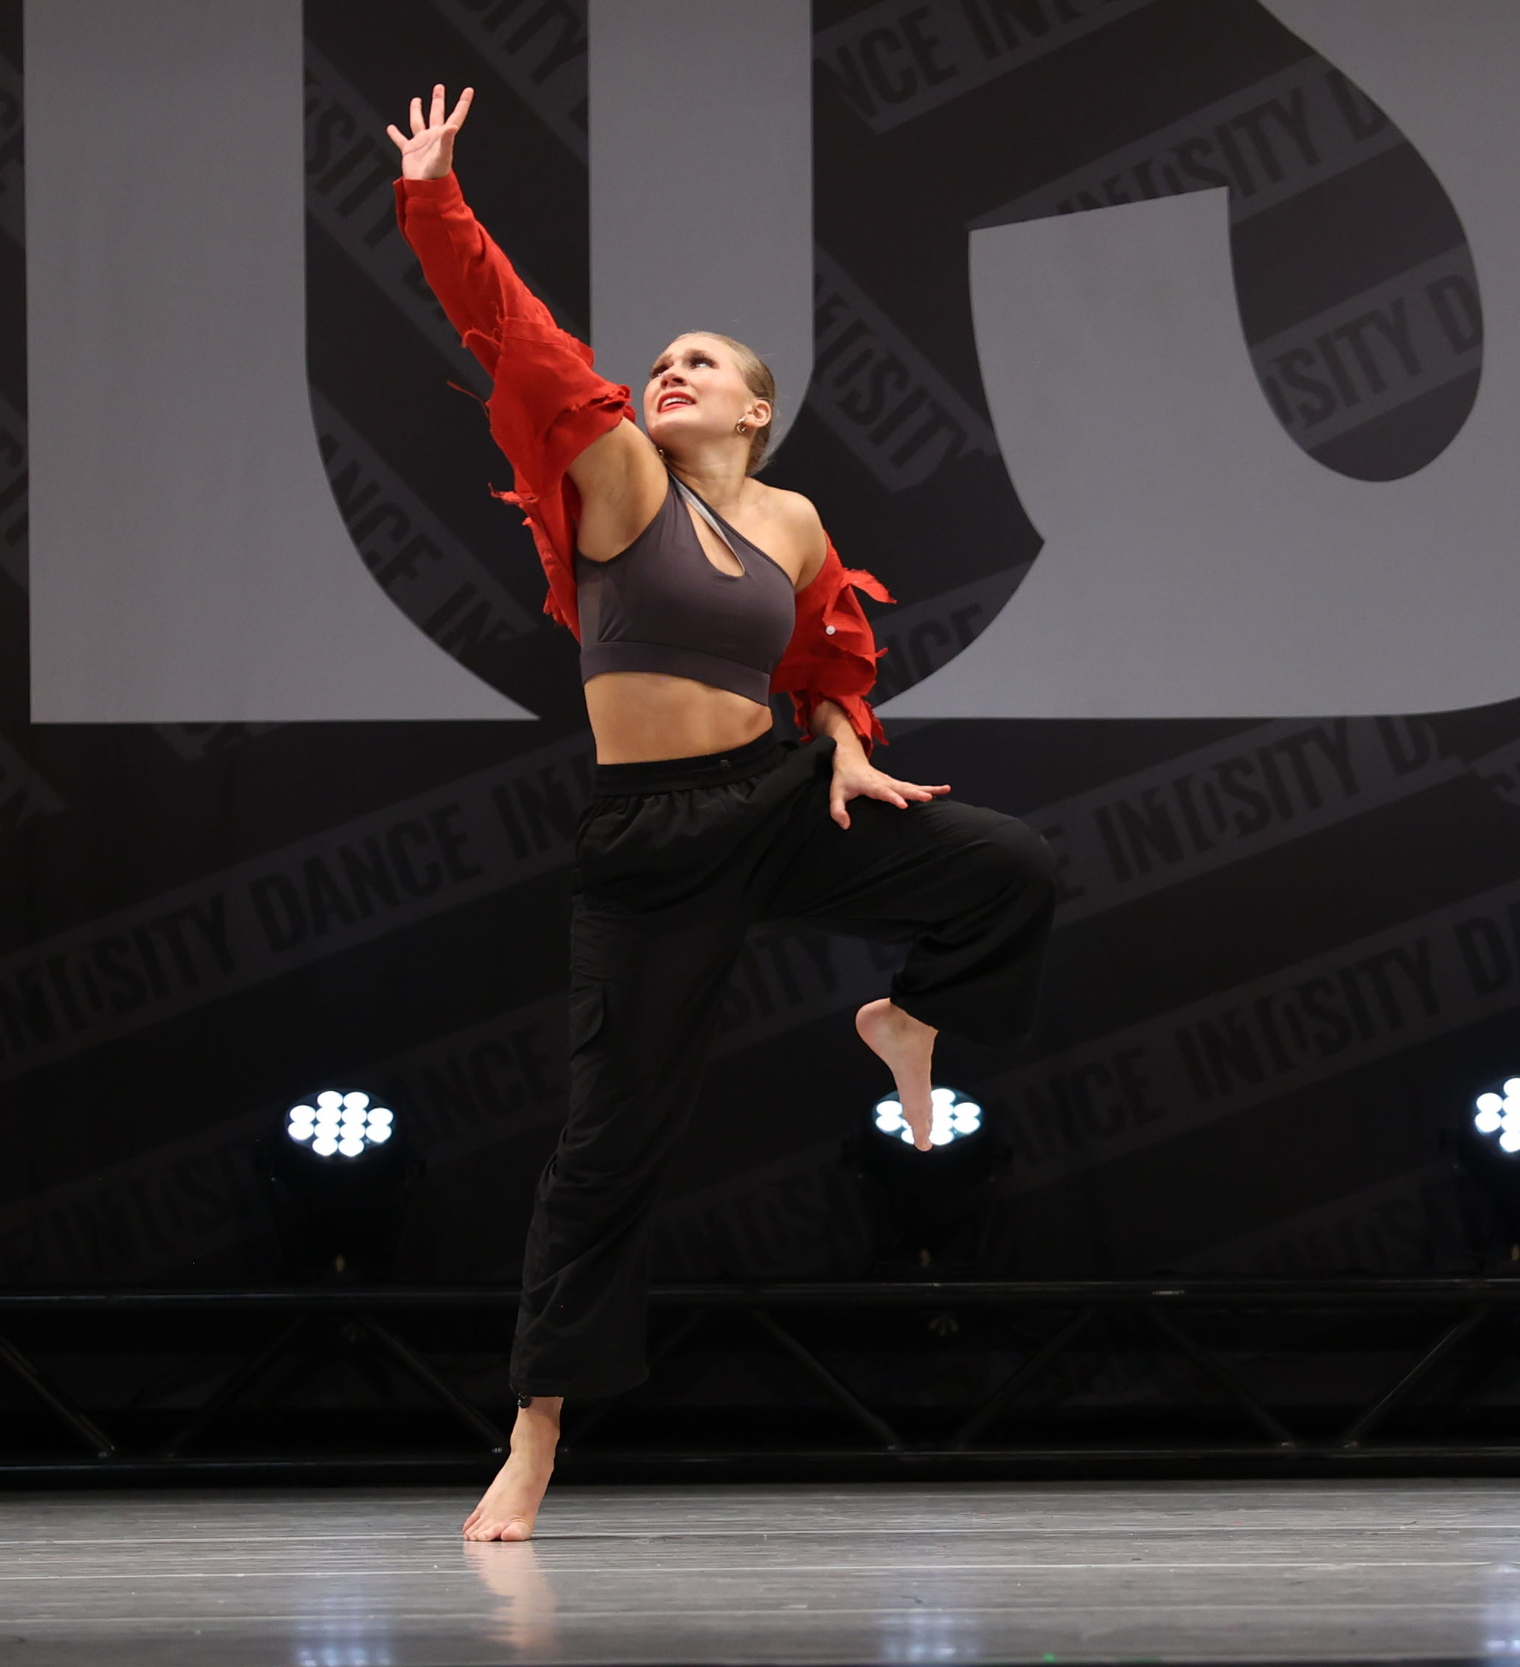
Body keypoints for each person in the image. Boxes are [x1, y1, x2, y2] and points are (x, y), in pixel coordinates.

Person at [385, 86, 1058, 1541]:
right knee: (608, 1143)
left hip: (774, 799)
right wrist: (437, 200)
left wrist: (845, 746)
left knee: (1008, 865)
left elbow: (827, 658)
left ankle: (907, 1021)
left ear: (758, 409)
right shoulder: (622, 474)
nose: (667, 371)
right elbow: (516, 337)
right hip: (652, 841)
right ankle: (534, 1434)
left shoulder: (793, 520)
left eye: (700, 362)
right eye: (661, 361)